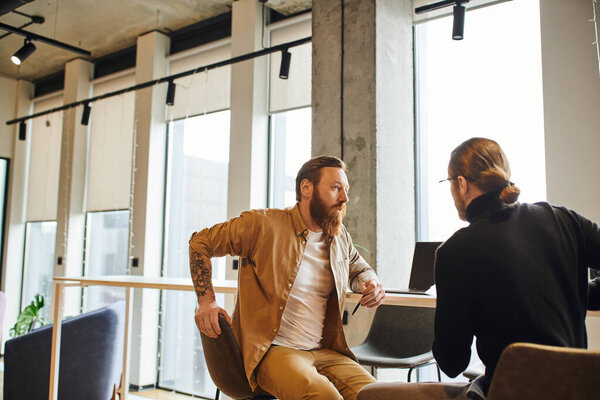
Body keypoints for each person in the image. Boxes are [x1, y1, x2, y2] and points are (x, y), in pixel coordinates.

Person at [189, 155, 386, 400]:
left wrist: (369, 282)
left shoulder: (338, 236)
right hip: (274, 351)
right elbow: (200, 243)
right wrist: (206, 300)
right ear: (306, 188)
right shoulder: (262, 224)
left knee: (378, 395)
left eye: (345, 190)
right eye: (336, 188)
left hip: (325, 350)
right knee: (324, 397)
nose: (344, 198)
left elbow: (358, 267)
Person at [432, 137, 600, 396]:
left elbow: (452, 362)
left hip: (512, 392)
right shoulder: (564, 219)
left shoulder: (455, 252)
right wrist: (579, 292)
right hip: (579, 390)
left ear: (461, 184)